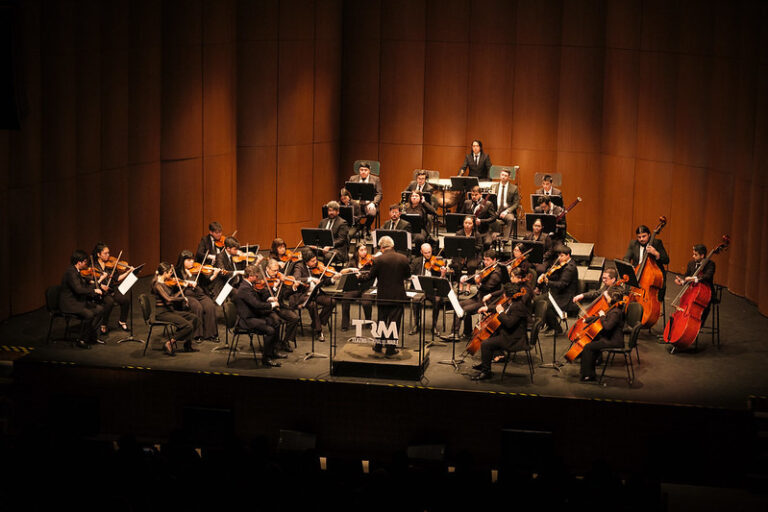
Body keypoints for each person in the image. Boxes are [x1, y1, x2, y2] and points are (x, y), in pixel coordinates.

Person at [470, 268, 533, 381]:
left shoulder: (518, 307)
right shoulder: (513, 303)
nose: (503, 300)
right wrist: (488, 308)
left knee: (485, 344)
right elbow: (503, 308)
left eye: (505, 298)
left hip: (514, 339)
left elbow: (509, 323)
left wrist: (500, 312)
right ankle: (485, 363)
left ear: (510, 297)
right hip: (511, 333)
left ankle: (486, 372)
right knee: (491, 333)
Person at [366, 236, 411, 355]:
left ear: (381, 247)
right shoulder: (403, 258)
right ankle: (391, 349)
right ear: (392, 245)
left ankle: (378, 346)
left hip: (383, 295)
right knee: (394, 322)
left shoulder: (378, 260)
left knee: (381, 321)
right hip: (398, 296)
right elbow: (407, 275)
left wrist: (358, 277)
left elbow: (370, 276)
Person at [233, 264, 282, 367]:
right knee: (270, 330)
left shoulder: (248, 285)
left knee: (275, 322)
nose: (257, 278)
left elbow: (257, 298)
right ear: (250, 275)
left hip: (253, 315)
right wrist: (271, 305)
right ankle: (266, 358)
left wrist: (269, 299)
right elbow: (256, 304)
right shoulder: (244, 288)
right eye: (256, 276)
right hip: (246, 320)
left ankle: (272, 351)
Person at [453, 250, 505, 340]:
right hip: (479, 297)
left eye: (488, 260)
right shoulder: (488, 269)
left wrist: (478, 283)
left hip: (487, 301)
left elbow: (487, 287)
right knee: (459, 304)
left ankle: (455, 334)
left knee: (465, 309)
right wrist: (468, 279)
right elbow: (480, 278)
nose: (485, 262)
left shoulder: (497, 273)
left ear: (494, 260)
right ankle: (465, 332)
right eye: (484, 260)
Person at [579, 287, 627, 382]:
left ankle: (588, 375)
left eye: (607, 297)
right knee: (592, 342)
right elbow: (602, 317)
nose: (606, 299)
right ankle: (590, 372)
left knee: (588, 347)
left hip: (614, 341)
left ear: (612, 298)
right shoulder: (613, 308)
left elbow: (607, 326)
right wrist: (587, 320)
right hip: (609, 337)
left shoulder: (616, 312)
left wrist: (602, 316)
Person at [151, 262, 200, 356]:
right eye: (170, 272)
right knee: (188, 326)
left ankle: (187, 344)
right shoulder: (157, 285)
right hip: (162, 314)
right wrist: (183, 298)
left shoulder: (165, 283)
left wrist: (184, 287)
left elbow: (172, 296)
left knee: (195, 319)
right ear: (165, 272)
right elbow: (169, 299)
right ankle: (169, 342)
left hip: (170, 311)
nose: (171, 275)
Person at [59, 250, 105, 349]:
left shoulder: (76, 271)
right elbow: (79, 290)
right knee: (89, 314)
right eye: (85, 262)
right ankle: (82, 339)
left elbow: (83, 285)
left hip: (78, 301)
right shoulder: (71, 272)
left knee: (100, 309)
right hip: (70, 303)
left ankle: (91, 335)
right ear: (79, 262)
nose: (86, 264)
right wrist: (94, 290)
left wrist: (93, 283)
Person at [289, 249, 335, 341]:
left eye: (315, 260)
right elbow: (297, 278)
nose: (315, 262)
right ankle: (319, 331)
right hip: (303, 295)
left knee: (331, 302)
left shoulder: (317, 267)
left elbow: (325, 281)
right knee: (312, 305)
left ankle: (316, 323)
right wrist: (310, 279)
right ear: (306, 261)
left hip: (315, 294)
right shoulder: (299, 266)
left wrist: (333, 279)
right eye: (313, 261)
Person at [175, 250, 220, 342]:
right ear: (182, 261)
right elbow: (175, 284)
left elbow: (206, 282)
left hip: (199, 294)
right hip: (187, 295)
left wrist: (214, 275)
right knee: (197, 307)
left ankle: (211, 334)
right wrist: (187, 283)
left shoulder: (198, 269)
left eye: (192, 259)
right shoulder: (177, 271)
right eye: (188, 260)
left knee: (210, 306)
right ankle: (197, 335)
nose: (192, 262)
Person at [92, 242, 134, 334]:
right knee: (109, 302)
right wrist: (100, 286)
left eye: (108, 253)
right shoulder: (94, 266)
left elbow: (117, 278)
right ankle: (104, 324)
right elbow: (91, 281)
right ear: (99, 254)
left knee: (125, 299)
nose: (108, 255)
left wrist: (128, 272)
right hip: (101, 292)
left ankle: (122, 321)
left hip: (111, 289)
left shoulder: (110, 265)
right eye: (105, 253)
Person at [536, 245, 578, 335]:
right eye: (558, 255)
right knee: (537, 300)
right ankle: (550, 324)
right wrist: (546, 275)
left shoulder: (570, 268)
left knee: (545, 305)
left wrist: (548, 282)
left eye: (562, 256)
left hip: (565, 297)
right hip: (559, 293)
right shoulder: (565, 265)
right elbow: (557, 276)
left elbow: (562, 284)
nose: (559, 258)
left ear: (568, 255)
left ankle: (557, 328)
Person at [409, 243, 448, 336]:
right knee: (415, 299)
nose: (428, 255)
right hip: (419, 290)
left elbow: (441, 281)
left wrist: (443, 274)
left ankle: (434, 326)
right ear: (421, 252)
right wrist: (412, 277)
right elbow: (409, 273)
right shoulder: (416, 261)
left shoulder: (437, 262)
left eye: (429, 252)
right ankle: (416, 324)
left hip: (432, 290)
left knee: (437, 300)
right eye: (425, 253)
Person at [263, 258, 300, 353]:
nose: (276, 273)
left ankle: (285, 341)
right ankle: (274, 344)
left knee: (295, 318)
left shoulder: (279, 278)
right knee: (276, 321)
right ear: (267, 268)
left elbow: (285, 294)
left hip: (279, 306)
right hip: (267, 308)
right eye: (274, 271)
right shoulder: (261, 278)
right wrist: (274, 287)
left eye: (277, 271)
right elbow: (264, 296)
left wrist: (293, 287)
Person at [623, 224, 669, 301]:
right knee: (628, 282)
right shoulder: (633, 244)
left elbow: (666, 260)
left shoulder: (657, 243)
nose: (641, 239)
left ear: (649, 235)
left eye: (644, 236)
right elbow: (626, 258)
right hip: (637, 273)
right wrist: (630, 266)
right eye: (639, 237)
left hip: (653, 276)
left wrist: (656, 253)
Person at [675, 244, 716, 325]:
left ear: (702, 255)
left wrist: (694, 278)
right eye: (693, 254)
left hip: (705, 293)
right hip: (692, 291)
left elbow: (707, 276)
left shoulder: (710, 264)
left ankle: (696, 325)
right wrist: (682, 282)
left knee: (699, 310)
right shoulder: (691, 263)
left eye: (695, 255)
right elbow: (687, 276)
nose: (693, 256)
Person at [339, 244, 374, 331]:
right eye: (361, 250)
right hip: (354, 288)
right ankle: (345, 325)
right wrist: (351, 269)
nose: (364, 252)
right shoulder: (352, 261)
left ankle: (368, 322)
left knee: (366, 303)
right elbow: (342, 271)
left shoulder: (370, 262)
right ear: (357, 252)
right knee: (345, 299)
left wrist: (361, 276)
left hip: (366, 288)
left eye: (365, 249)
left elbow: (372, 275)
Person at [450, 216, 484, 293]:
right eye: (466, 223)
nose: (467, 225)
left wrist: (469, 246)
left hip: (473, 255)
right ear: (463, 223)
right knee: (456, 264)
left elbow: (479, 247)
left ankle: (468, 286)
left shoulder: (477, 234)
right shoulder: (459, 233)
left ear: (473, 224)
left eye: (470, 223)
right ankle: (460, 284)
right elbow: (456, 246)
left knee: (472, 265)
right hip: (461, 255)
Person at [347, 161, 382, 230]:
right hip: (356, 204)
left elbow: (379, 194)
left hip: (369, 204)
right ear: (359, 170)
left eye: (365, 170)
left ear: (369, 171)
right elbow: (348, 193)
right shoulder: (352, 178)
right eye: (361, 170)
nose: (363, 172)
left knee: (372, 213)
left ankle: (366, 227)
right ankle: (356, 228)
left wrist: (373, 203)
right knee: (349, 212)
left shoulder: (376, 179)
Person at [491, 168, 520, 239]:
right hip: (495, 210)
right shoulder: (493, 186)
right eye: (502, 175)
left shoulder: (514, 188)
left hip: (507, 211)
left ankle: (505, 239)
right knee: (487, 216)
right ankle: (490, 238)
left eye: (505, 175)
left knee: (511, 219)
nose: (503, 177)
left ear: (509, 177)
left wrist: (506, 211)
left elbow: (516, 203)